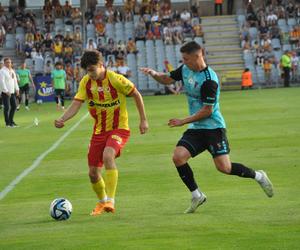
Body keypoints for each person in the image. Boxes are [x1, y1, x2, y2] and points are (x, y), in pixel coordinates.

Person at [140, 41, 273, 214]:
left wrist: (182, 121)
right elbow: (166, 79)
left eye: (186, 59)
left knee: (224, 168)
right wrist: (153, 73)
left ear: (198, 55)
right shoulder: (186, 69)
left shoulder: (209, 80)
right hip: (197, 128)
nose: (184, 62)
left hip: (214, 128)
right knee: (178, 157)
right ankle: (197, 195)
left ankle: (259, 176)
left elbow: (207, 111)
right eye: (183, 59)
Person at [54, 50, 148, 216]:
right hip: (99, 131)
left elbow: (136, 94)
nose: (89, 73)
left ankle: (111, 200)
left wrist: (143, 120)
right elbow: (76, 104)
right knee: (92, 173)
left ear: (101, 65)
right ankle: (102, 201)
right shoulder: (86, 82)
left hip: (119, 128)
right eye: (87, 70)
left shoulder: (115, 79)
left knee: (108, 155)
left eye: (92, 69)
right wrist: (62, 119)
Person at [0, 58, 19, 127]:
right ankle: (7, 123)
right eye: (7, 62)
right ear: (4, 63)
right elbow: (2, 82)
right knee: (7, 108)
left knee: (14, 106)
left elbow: (15, 81)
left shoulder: (12, 70)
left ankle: (11, 121)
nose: (9, 64)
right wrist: (6, 91)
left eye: (10, 62)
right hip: (5, 92)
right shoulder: (2, 71)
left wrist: (17, 89)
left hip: (12, 91)